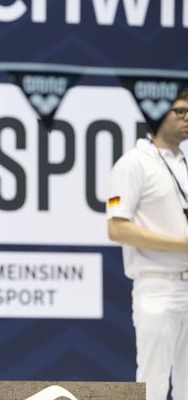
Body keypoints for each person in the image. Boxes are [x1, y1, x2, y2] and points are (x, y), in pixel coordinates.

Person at [107, 89, 188, 400]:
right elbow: (117, 229)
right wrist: (180, 245)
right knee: (152, 384)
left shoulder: (184, 164)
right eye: (179, 111)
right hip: (158, 287)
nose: (186, 118)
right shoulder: (133, 164)